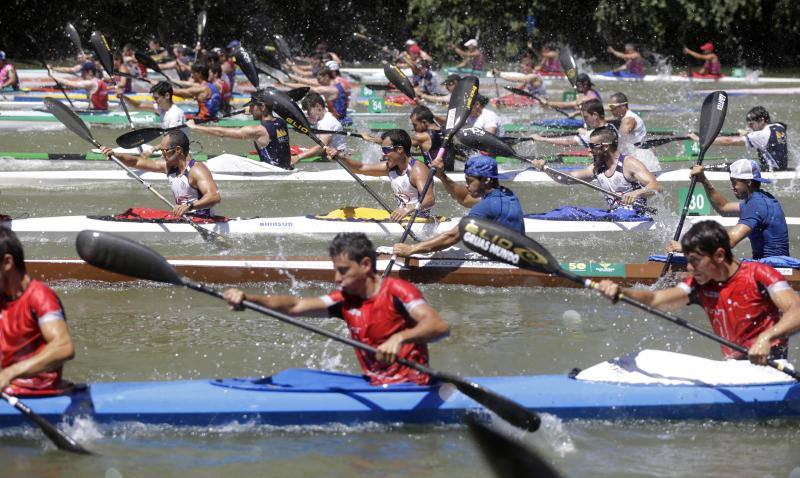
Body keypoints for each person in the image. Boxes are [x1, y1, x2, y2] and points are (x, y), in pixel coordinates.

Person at [223, 233, 450, 385]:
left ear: (365, 265)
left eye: (343, 270)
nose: (336, 278)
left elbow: (439, 326)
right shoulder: (344, 300)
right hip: (374, 384)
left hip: (411, 386)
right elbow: (295, 305)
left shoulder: (398, 291)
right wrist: (249, 298)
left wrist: (400, 338)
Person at [596, 220, 800, 364]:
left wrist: (767, 338)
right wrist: (621, 292)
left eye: (695, 261)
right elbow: (656, 298)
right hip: (734, 368)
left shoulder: (760, 275)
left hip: (770, 368)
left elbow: (796, 310)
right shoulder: (700, 284)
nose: (690, 269)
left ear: (719, 255)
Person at [393, 155, 525, 257]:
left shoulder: (486, 206)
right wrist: (442, 176)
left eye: (470, 181)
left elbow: (453, 236)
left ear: (486, 180)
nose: (466, 185)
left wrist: (412, 249)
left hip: (503, 264)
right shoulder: (505, 193)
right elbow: (465, 199)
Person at [0, 229, 75, 396]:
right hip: (8, 390)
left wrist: (9, 373)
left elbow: (63, 347)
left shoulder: (39, 297)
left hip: (39, 394)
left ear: (7, 262)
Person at [666, 159, 789, 260]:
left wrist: (687, 247)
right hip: (770, 262)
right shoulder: (762, 198)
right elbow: (723, 207)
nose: (732, 188)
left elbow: (729, 242)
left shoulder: (755, 205)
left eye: (734, 182)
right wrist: (704, 181)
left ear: (748, 182)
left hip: (772, 266)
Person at [530, 126, 662, 211]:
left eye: (592, 146)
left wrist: (636, 193)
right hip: (615, 215)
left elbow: (657, 187)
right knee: (570, 211)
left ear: (605, 146)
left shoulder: (629, 163)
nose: (588, 150)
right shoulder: (597, 167)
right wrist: (545, 168)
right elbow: (567, 179)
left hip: (636, 216)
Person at [100, 130, 221, 218]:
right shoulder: (169, 166)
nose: (162, 154)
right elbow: (136, 161)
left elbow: (214, 197)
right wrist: (115, 155)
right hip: (183, 218)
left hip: (203, 219)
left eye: (164, 150)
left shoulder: (197, 170)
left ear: (178, 150)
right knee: (136, 212)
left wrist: (189, 206)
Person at [326, 129, 435, 222]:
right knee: (349, 211)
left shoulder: (417, 169)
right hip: (401, 217)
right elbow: (359, 168)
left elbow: (429, 199)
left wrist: (406, 210)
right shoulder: (391, 167)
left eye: (386, 150)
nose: (383, 154)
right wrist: (340, 156)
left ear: (399, 150)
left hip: (420, 219)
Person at [188, 90, 291, 169]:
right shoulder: (281, 122)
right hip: (287, 168)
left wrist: (195, 127)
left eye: (252, 106)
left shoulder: (258, 130)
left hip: (272, 172)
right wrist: (254, 110)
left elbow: (221, 133)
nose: (250, 109)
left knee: (226, 158)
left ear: (262, 107)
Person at [688, 106, 789, 171]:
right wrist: (750, 133)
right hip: (781, 167)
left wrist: (700, 140)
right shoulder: (779, 127)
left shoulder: (760, 135)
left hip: (772, 170)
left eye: (751, 124)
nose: (750, 126)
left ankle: (703, 169)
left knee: (733, 166)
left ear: (762, 120)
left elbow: (729, 141)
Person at [608, 92, 660, 172]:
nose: (611, 110)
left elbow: (620, 141)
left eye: (613, 107)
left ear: (623, 106)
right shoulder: (628, 116)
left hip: (642, 162)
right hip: (642, 158)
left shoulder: (628, 120)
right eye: (610, 107)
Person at [530, 99, 610, 149]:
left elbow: (569, 141)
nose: (585, 121)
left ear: (595, 115)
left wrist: (542, 139)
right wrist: (586, 131)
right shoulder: (610, 126)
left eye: (585, 117)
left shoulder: (593, 136)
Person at [292, 92, 346, 165]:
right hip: (329, 153)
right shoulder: (323, 116)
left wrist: (298, 157)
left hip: (337, 159)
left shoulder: (327, 122)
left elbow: (321, 147)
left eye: (309, 111)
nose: (308, 114)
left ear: (318, 106)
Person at [122, 81, 187, 137]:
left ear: (167, 96)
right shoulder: (160, 108)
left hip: (177, 149)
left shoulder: (175, 114)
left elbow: (173, 139)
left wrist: (154, 148)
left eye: (156, 98)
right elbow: (139, 105)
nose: (155, 101)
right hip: (169, 146)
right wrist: (123, 96)